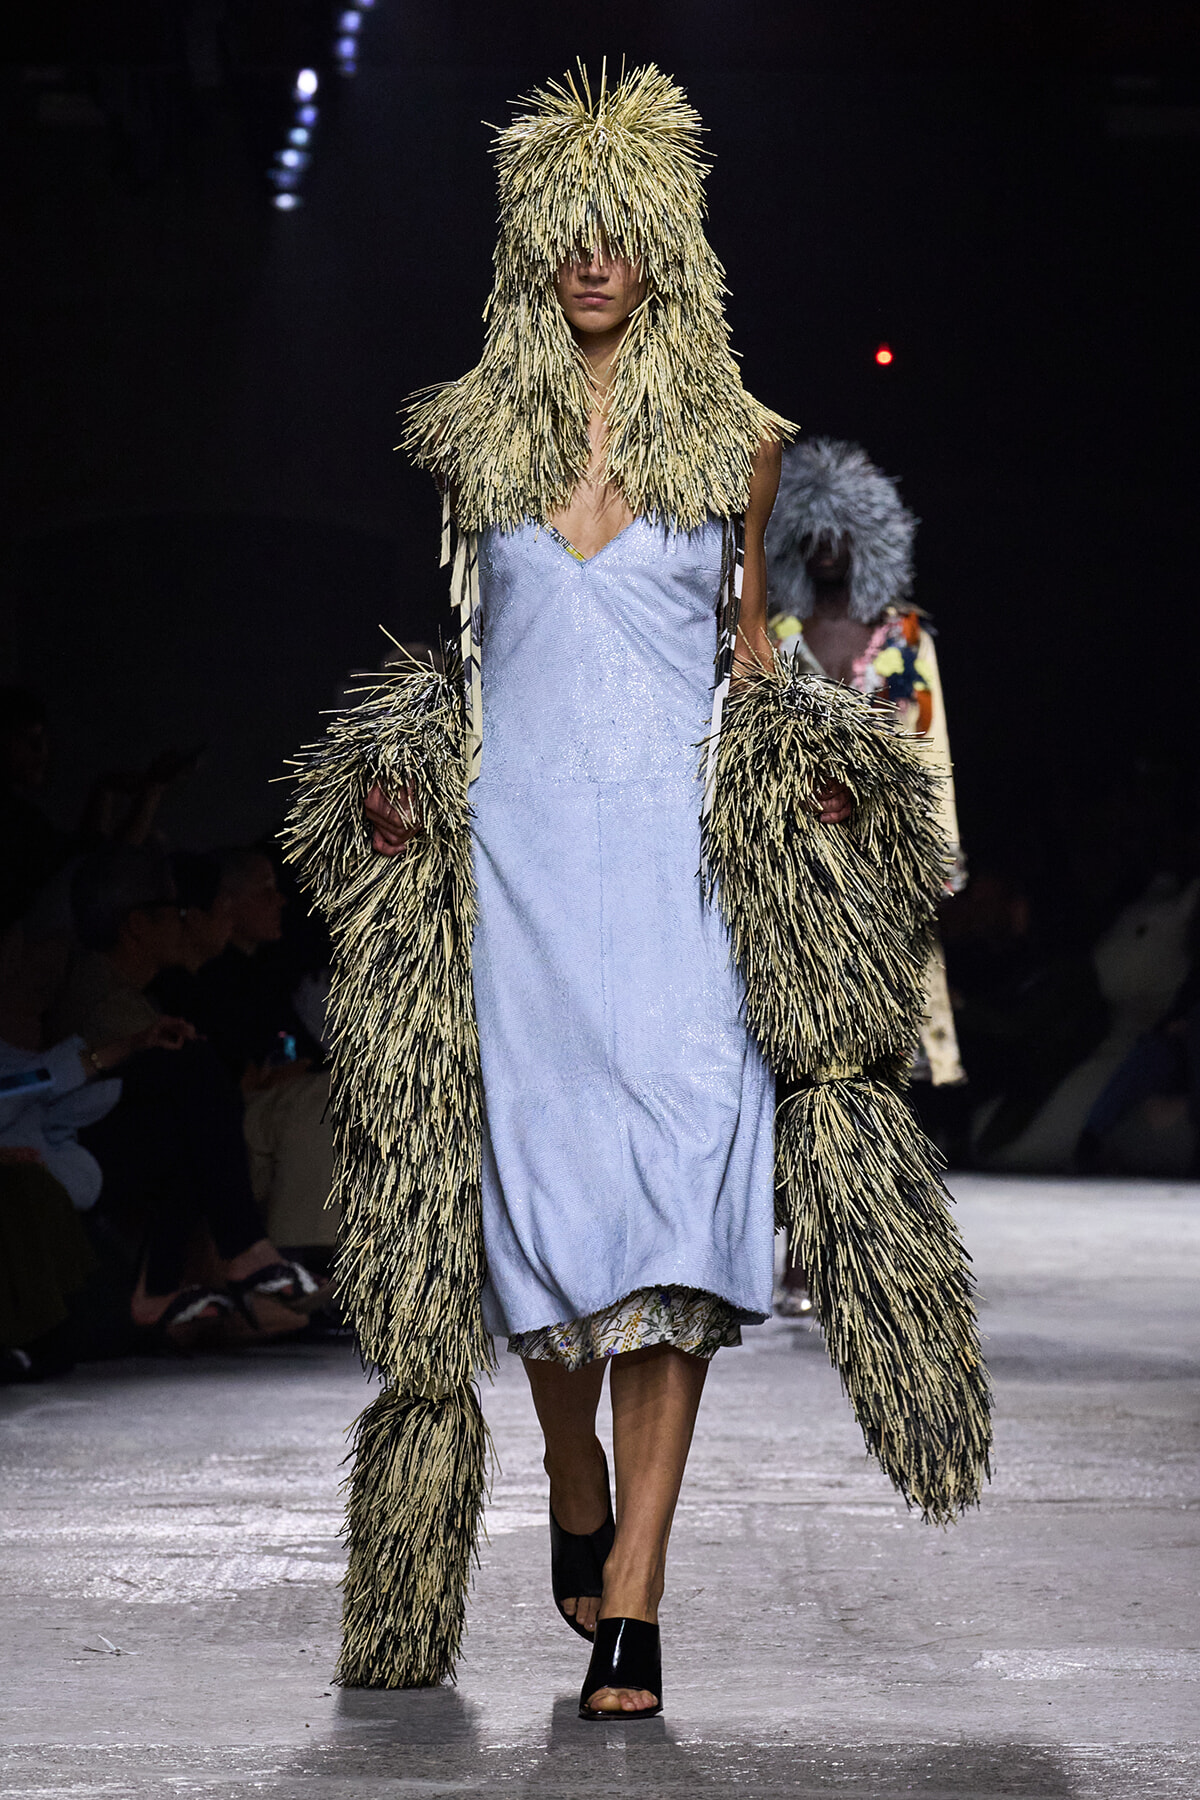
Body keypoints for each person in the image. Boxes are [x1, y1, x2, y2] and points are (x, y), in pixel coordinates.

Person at [288, 66, 990, 1718]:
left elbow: (749, 657)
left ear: (666, 247)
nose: (595, 257)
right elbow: (454, 655)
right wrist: (400, 780)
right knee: (536, 1241)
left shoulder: (743, 447)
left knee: (679, 1224)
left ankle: (639, 1606)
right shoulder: (471, 436)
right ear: (533, 244)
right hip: (521, 879)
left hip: (679, 884)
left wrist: (813, 773)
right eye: (569, 231)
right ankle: (573, 1479)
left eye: (623, 230)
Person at [49, 846, 323, 1349]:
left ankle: (217, 1263)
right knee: (192, 1072)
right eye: (174, 912)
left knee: (192, 1075)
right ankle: (240, 1253)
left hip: (120, 1144)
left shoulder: (136, 991)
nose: (184, 919)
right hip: (79, 1146)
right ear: (137, 925)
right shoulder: (101, 996)